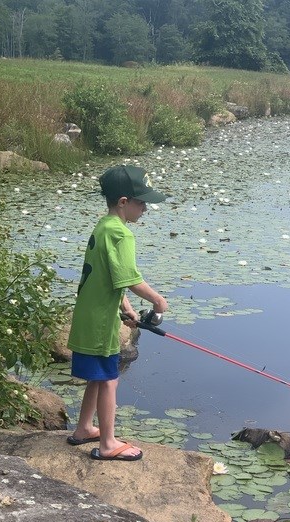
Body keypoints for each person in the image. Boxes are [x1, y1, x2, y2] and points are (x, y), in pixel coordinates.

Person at [66, 165, 168, 461]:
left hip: (90, 314)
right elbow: (130, 278)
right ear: (123, 202)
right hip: (100, 323)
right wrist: (158, 301)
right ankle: (109, 444)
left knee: (98, 377)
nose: (146, 209)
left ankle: (84, 428)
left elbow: (108, 275)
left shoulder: (103, 225)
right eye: (142, 202)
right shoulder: (121, 234)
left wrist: (125, 307)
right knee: (110, 379)